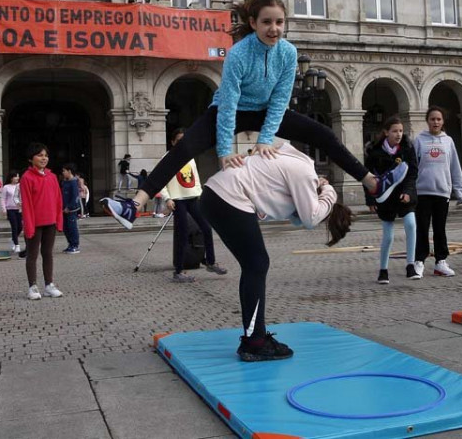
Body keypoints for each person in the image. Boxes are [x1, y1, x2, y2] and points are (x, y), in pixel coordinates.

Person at [104, 0, 406, 229]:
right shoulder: (238, 53)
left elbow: (279, 100)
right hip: (229, 111)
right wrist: (224, 151)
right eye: (267, 22)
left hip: (265, 111)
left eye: (279, 22)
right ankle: (135, 203)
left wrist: (265, 138)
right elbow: (229, 102)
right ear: (253, 23)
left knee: (324, 134)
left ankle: (373, 183)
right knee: (184, 150)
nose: (274, 29)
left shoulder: (288, 53)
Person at [200, 142, 353, 362]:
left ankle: (254, 337)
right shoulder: (305, 174)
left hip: (214, 194)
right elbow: (310, 219)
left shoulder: (296, 167)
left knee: (253, 265)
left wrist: (318, 194)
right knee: (257, 264)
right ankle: (255, 342)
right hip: (227, 197)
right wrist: (330, 192)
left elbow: (297, 215)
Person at [158, 128, 228, 283]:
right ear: (173, 142)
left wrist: (200, 195)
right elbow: (160, 180)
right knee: (181, 234)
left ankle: (210, 261)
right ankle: (178, 271)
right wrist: (167, 199)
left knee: (206, 228)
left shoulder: (190, 158)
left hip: (193, 198)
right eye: (179, 141)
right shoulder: (167, 158)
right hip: (177, 200)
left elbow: (195, 179)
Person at [364, 116, 418, 284]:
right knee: (388, 235)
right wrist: (370, 201)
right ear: (386, 132)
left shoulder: (407, 149)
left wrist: (408, 192)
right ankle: (383, 270)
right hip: (384, 196)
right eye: (395, 131)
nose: (398, 134)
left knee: (411, 224)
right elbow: (367, 178)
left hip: (404, 194)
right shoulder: (375, 151)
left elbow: (413, 173)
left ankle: (411, 265)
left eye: (401, 131)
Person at [413, 106, 462, 277]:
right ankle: (419, 261)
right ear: (427, 121)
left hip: (442, 192)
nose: (435, 122)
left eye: (438, 119)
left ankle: (440, 262)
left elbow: (455, 167)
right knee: (421, 228)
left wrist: (459, 190)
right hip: (422, 192)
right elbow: (412, 167)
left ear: (443, 121)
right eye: (432, 119)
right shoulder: (419, 140)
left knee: (440, 228)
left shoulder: (448, 141)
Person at [21, 143, 64, 300]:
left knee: (48, 254)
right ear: (31, 159)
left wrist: (59, 221)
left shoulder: (52, 177)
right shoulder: (27, 178)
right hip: (35, 223)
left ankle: (49, 285)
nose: (43, 158)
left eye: (45, 155)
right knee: (32, 255)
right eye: (39, 155)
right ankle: (32, 287)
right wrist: (29, 226)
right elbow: (27, 204)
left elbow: (58, 200)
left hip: (50, 222)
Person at [61, 163, 81, 254]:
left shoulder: (73, 182)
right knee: (66, 228)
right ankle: (70, 244)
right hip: (64, 209)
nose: (63, 173)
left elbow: (75, 197)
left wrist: (69, 207)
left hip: (71, 210)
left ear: (69, 171)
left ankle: (75, 245)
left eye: (64, 171)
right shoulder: (65, 182)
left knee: (72, 227)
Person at [1, 171, 23, 254]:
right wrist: (4, 209)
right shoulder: (6, 187)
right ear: (11, 178)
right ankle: (17, 245)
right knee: (14, 226)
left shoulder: (20, 186)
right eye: (16, 176)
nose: (17, 178)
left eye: (18, 176)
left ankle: (13, 239)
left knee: (20, 227)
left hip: (19, 209)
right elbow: (3, 199)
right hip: (10, 209)